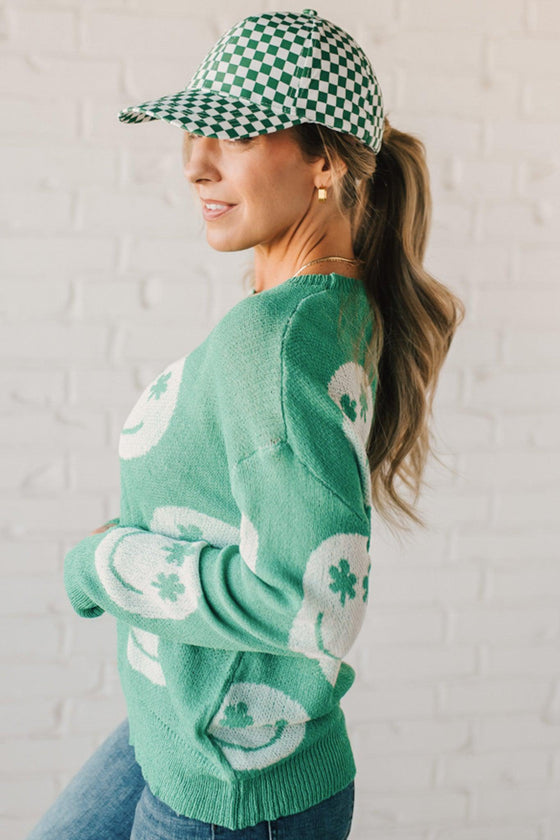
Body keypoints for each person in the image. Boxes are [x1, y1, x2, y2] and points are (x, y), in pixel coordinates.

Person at [27, 9, 465, 840]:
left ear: (325, 159)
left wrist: (102, 561)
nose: (194, 164)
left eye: (230, 135)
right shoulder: (321, 308)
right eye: (195, 132)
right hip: (184, 733)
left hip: (231, 792)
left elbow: (312, 601)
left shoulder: (271, 341)